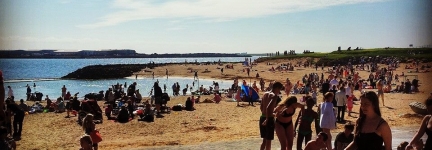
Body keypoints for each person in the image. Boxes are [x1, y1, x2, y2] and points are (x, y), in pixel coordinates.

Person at [260, 82, 283, 150]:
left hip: (262, 117)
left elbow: (261, 107)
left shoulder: (265, 94)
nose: (279, 92)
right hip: (268, 119)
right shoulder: (274, 96)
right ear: (277, 88)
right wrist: (269, 117)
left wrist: (265, 115)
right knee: (268, 141)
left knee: (264, 140)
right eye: (279, 90)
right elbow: (268, 108)